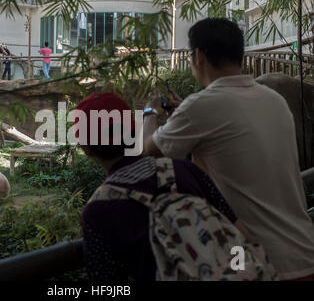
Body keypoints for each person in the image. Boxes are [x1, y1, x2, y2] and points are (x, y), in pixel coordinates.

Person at [142, 18, 314, 281]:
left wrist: (150, 111)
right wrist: (185, 114)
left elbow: (146, 153)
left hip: (257, 264)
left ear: (198, 55)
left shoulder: (201, 107)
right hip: (304, 253)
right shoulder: (275, 100)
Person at [75, 93, 273, 281]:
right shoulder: (185, 170)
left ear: (86, 148)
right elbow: (240, 234)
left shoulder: (97, 212)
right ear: (133, 130)